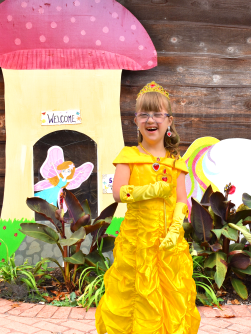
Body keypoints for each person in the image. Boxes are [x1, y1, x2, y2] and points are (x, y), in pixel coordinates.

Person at [95, 81, 201, 334]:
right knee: (136, 293)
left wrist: (176, 228)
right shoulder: (129, 157)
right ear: (136, 120)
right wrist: (149, 191)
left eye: (157, 114)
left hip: (168, 241)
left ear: (169, 121)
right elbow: (118, 193)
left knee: (170, 293)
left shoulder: (176, 163)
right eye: (144, 114)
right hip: (137, 240)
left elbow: (181, 201)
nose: (151, 119)